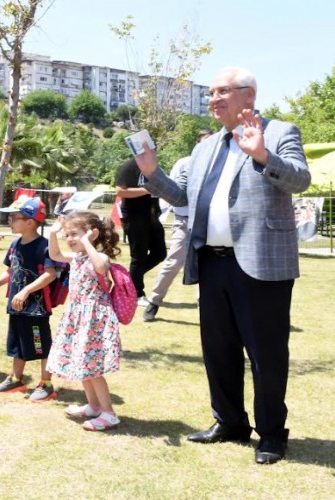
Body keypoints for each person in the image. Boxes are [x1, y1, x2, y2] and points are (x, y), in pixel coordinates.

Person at [134, 67, 310, 465]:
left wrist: (262, 154)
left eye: (223, 91)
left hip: (261, 264)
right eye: (211, 92)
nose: (213, 98)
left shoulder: (281, 131)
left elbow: (300, 181)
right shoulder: (204, 147)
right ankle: (230, 422)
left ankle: (271, 434)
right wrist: (151, 173)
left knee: (266, 354)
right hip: (212, 264)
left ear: (248, 95)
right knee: (218, 350)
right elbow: (183, 198)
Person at [46, 211, 122, 430]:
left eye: (74, 234)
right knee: (82, 363)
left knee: (93, 368)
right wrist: (53, 233)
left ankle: (109, 413)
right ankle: (94, 406)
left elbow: (100, 266)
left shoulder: (100, 257)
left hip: (95, 320)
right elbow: (55, 254)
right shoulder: (77, 258)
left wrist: (88, 242)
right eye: (67, 234)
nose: (69, 239)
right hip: (79, 318)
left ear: (93, 234)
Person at [0, 195, 59, 402]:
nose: (11, 221)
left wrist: (26, 291)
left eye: (15, 217)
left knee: (41, 344)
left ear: (30, 221)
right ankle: (16, 379)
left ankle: (47, 384)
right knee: (16, 344)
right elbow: (10, 271)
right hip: (16, 307)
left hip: (36, 308)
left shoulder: (44, 246)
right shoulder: (15, 244)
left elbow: (50, 274)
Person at [144, 129, 213, 321]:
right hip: (185, 221)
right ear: (197, 144)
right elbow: (172, 190)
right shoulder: (185, 163)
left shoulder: (217, 164)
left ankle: (205, 305)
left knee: (207, 265)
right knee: (174, 262)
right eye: (203, 142)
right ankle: (154, 301)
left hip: (209, 221)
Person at [115, 157, 167, 306]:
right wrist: (147, 190)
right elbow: (120, 191)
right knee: (138, 257)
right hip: (135, 217)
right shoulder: (131, 165)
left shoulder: (154, 166)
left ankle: (129, 279)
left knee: (160, 253)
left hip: (152, 216)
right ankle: (137, 293)